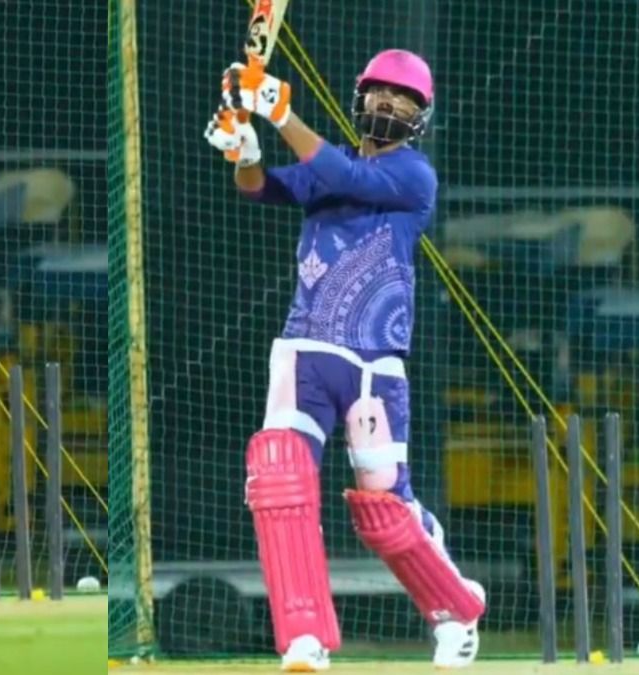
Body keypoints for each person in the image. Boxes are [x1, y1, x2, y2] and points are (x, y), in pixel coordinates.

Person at [204, 50, 485, 670]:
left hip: (372, 366)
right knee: (278, 478)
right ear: (360, 99)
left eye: (402, 99)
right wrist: (244, 147)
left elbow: (343, 176)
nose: (388, 105)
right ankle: (303, 638)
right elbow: (257, 189)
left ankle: (456, 607)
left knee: (385, 511)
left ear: (421, 115)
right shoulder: (328, 165)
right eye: (379, 94)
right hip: (303, 350)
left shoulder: (415, 177)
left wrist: (277, 109)